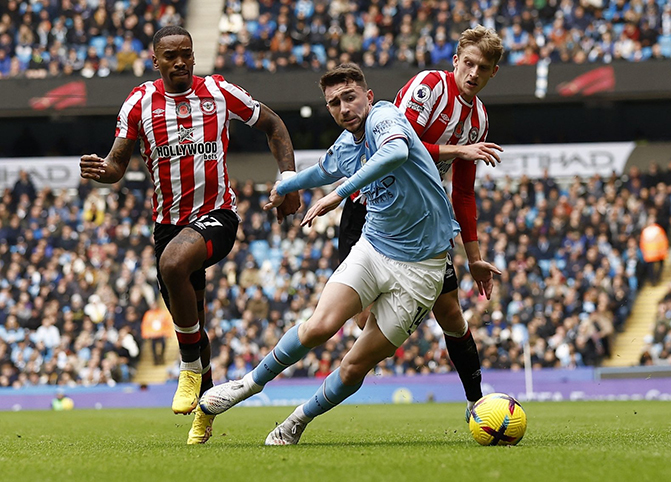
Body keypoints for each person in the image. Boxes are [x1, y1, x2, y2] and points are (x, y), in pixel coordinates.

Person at [199, 63, 459, 445]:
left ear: (368, 97)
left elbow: (396, 153)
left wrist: (339, 194)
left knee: (355, 365)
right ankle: (248, 385)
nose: (343, 108)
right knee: (319, 325)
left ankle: (296, 421)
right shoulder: (345, 144)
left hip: (422, 270)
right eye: (334, 103)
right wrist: (286, 185)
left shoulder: (385, 117)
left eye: (350, 97)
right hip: (373, 248)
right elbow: (321, 170)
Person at [79, 25, 300, 445]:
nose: (179, 61)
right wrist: (101, 171)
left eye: (186, 53)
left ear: (193, 56)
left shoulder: (219, 92)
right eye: (170, 55)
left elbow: (274, 125)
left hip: (217, 216)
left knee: (173, 265)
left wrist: (287, 181)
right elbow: (117, 164)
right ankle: (207, 411)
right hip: (168, 227)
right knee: (195, 323)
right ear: (155, 60)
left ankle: (189, 368)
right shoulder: (139, 104)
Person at [338, 25, 505, 419]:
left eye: (483, 68)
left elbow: (463, 192)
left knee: (451, 311)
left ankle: (476, 402)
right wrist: (458, 150)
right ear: (455, 60)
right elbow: (398, 145)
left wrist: (474, 257)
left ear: (493, 72)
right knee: (363, 318)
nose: (473, 74)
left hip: (423, 219)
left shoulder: (478, 118)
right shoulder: (429, 86)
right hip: (371, 204)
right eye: (468, 63)